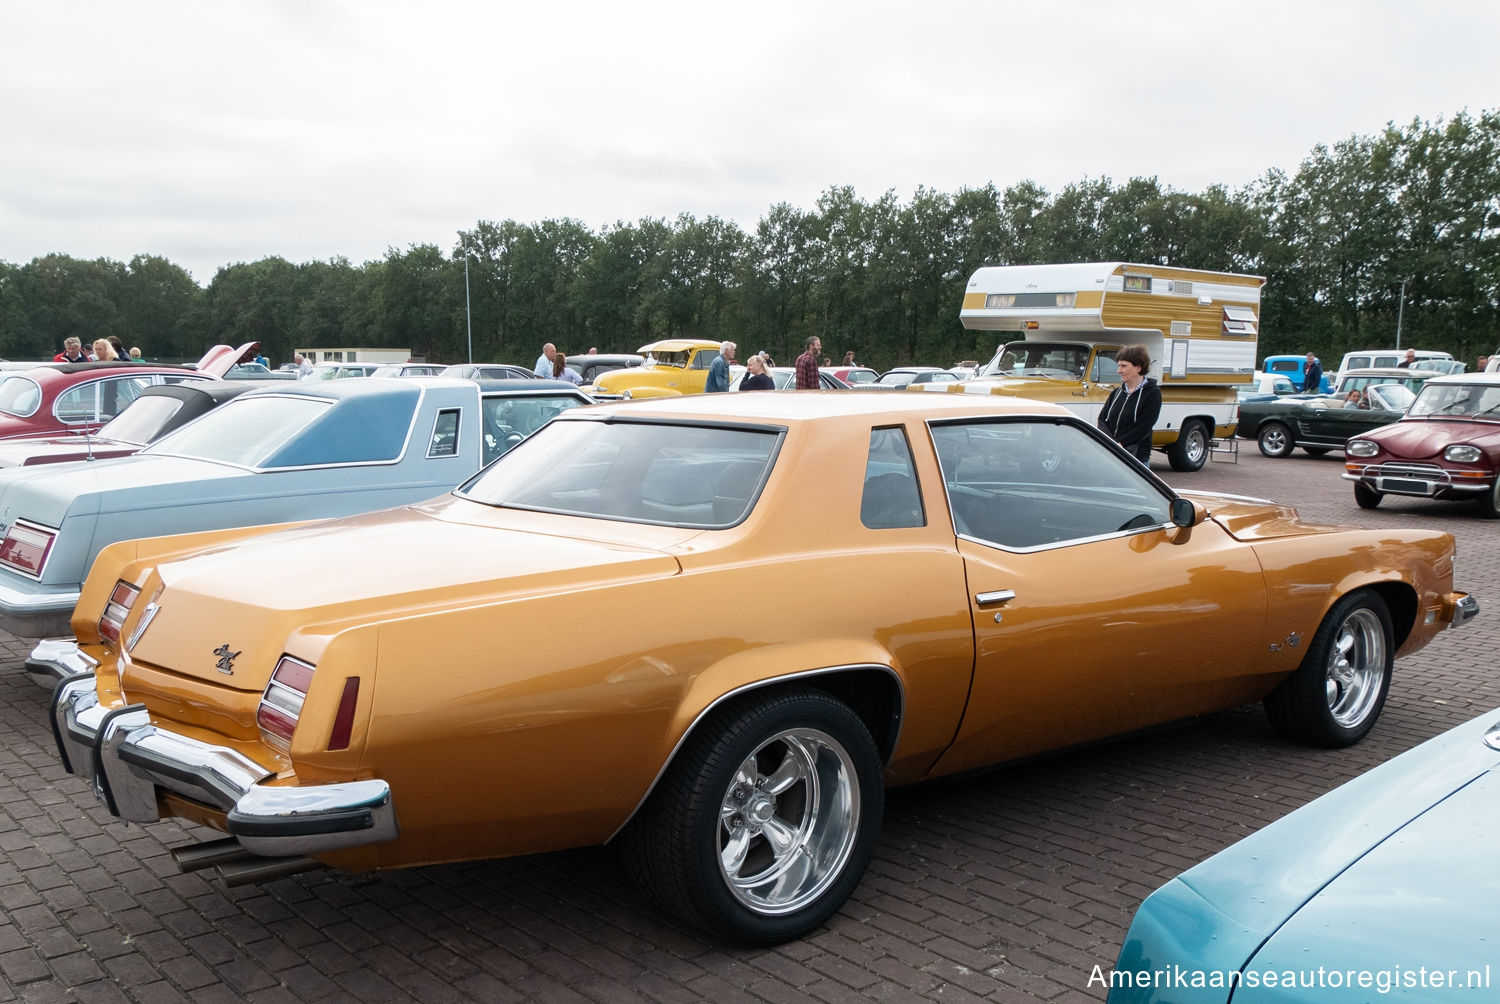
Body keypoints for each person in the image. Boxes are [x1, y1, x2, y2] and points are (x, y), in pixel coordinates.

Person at [1097, 344, 1162, 464]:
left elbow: (1144, 426)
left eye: (1124, 366)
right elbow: (1102, 419)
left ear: (1138, 367)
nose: (1119, 371)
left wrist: (1121, 443)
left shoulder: (1152, 393)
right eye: (1118, 366)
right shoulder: (1117, 392)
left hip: (1135, 458)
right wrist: (1110, 443)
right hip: (1111, 453)